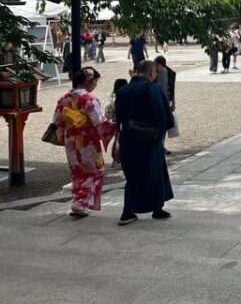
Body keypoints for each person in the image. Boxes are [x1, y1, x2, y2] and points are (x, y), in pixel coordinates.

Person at [115, 60, 174, 226]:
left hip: (128, 138)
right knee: (154, 173)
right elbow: (163, 116)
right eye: (155, 72)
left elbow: (118, 117)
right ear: (150, 72)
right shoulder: (153, 89)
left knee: (132, 175)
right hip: (149, 138)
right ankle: (157, 208)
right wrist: (160, 133)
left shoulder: (123, 90)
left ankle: (128, 211)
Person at [52, 66, 116, 217]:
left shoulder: (64, 99)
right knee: (94, 170)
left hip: (71, 140)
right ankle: (80, 203)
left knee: (77, 171)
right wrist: (115, 126)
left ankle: (78, 200)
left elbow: (57, 121)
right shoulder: (89, 100)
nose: (96, 85)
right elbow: (99, 123)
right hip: (87, 140)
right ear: (88, 81)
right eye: (95, 81)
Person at [105, 78, 128, 164]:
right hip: (125, 122)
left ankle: (115, 159)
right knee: (121, 141)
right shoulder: (126, 97)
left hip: (115, 122)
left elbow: (107, 114)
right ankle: (119, 159)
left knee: (117, 140)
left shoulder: (112, 99)